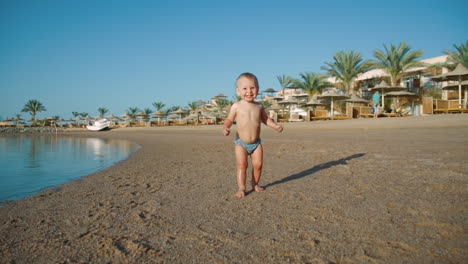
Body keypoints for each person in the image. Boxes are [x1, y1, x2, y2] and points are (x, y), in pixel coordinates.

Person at [223, 72, 283, 197]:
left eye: (252, 88)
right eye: (244, 88)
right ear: (238, 91)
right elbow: (229, 119)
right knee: (242, 165)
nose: (249, 91)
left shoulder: (259, 106)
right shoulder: (236, 106)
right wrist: (226, 127)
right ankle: (241, 188)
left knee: (258, 165)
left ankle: (255, 184)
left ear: (258, 89)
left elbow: (265, 119)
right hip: (241, 143)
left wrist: (275, 126)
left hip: (256, 143)